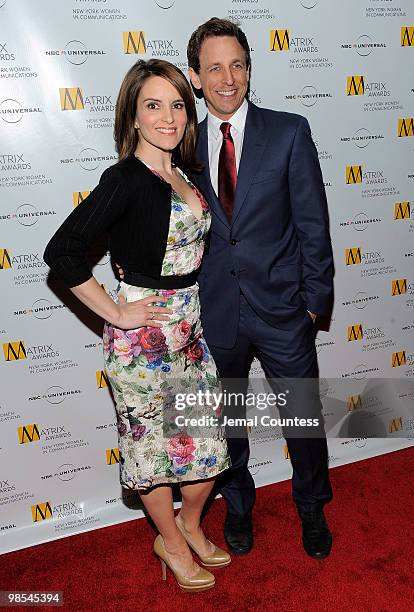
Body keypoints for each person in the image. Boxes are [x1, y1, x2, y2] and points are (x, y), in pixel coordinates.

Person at [43, 58, 231, 593]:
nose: (167, 116)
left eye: (176, 104)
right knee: (153, 456)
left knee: (208, 450)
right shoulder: (124, 179)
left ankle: (190, 524)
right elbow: (63, 252)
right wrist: (118, 311)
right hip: (143, 345)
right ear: (133, 115)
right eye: (153, 104)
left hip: (190, 335)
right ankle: (169, 541)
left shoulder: (187, 173)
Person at [186, 18, 334, 559]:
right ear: (196, 78)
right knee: (227, 423)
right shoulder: (180, 145)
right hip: (213, 312)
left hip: (282, 310)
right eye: (215, 67)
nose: (229, 78)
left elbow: (313, 224)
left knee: (303, 419)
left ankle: (313, 506)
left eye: (239, 64)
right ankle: (239, 505)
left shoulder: (289, 131)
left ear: (250, 69)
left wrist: (315, 303)